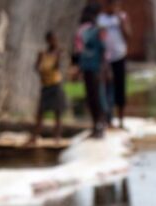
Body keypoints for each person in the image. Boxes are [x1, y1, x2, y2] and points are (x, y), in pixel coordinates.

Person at [74, 6, 107, 138]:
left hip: (96, 69)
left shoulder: (98, 32)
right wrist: (80, 69)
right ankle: (95, 125)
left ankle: (101, 125)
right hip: (87, 68)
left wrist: (104, 69)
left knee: (98, 97)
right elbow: (81, 52)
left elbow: (103, 51)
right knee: (91, 98)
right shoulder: (84, 32)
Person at [98, 0, 131, 129]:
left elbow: (129, 36)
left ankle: (121, 120)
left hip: (119, 57)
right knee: (106, 89)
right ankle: (108, 119)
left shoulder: (122, 17)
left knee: (120, 89)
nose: (114, 7)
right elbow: (99, 37)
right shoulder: (101, 19)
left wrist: (121, 22)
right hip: (105, 59)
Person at [29, 31, 66, 145]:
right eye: (52, 39)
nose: (54, 42)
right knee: (40, 112)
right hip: (46, 85)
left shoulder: (59, 53)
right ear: (48, 40)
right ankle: (35, 136)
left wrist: (58, 57)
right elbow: (36, 67)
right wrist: (41, 69)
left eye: (55, 39)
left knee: (57, 112)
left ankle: (57, 137)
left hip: (55, 85)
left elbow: (58, 66)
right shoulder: (43, 54)